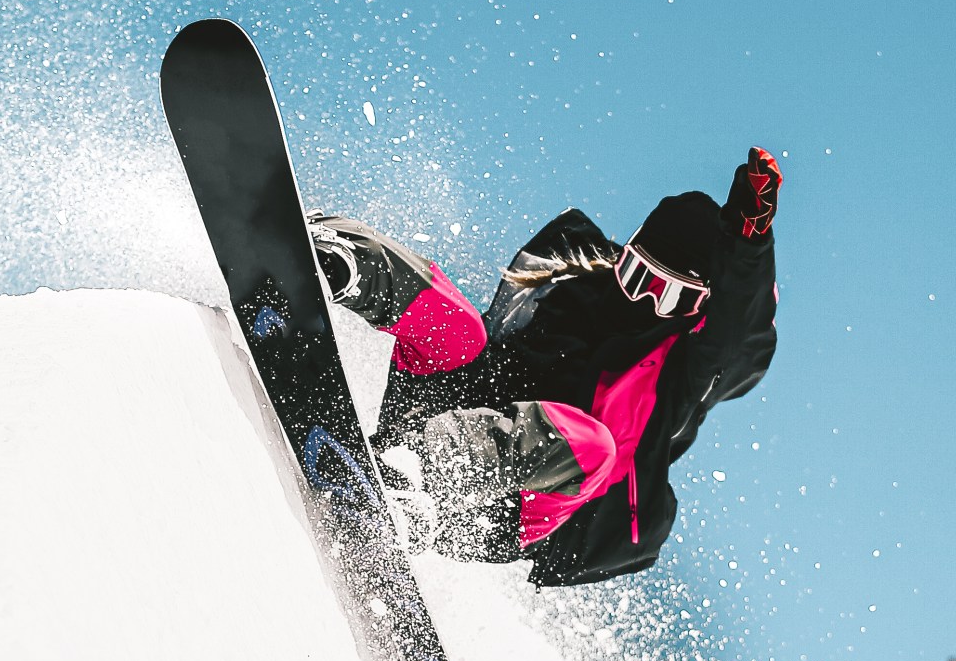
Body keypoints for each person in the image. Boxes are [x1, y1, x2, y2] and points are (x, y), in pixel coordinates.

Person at [308, 147, 782, 588]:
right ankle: (331, 257)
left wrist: (748, 248)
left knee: (591, 442)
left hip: (498, 506)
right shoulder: (569, 287)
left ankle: (410, 485)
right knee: (462, 329)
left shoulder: (680, 375)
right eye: (636, 276)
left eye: (668, 296)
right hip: (429, 428)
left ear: (696, 310)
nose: (641, 300)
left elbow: (739, 340)